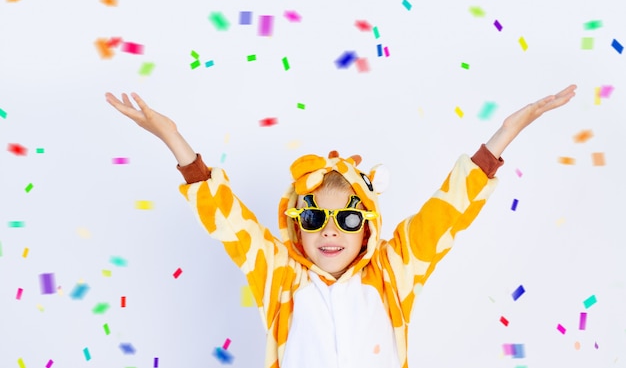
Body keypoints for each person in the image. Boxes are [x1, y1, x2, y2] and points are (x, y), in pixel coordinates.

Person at [105, 84, 576, 368]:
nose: (330, 232)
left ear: (366, 227)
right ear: (297, 226)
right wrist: (174, 139)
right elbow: (229, 220)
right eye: (314, 219)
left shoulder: (392, 274)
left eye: (346, 219)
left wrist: (507, 132)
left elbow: (446, 212)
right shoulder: (280, 279)